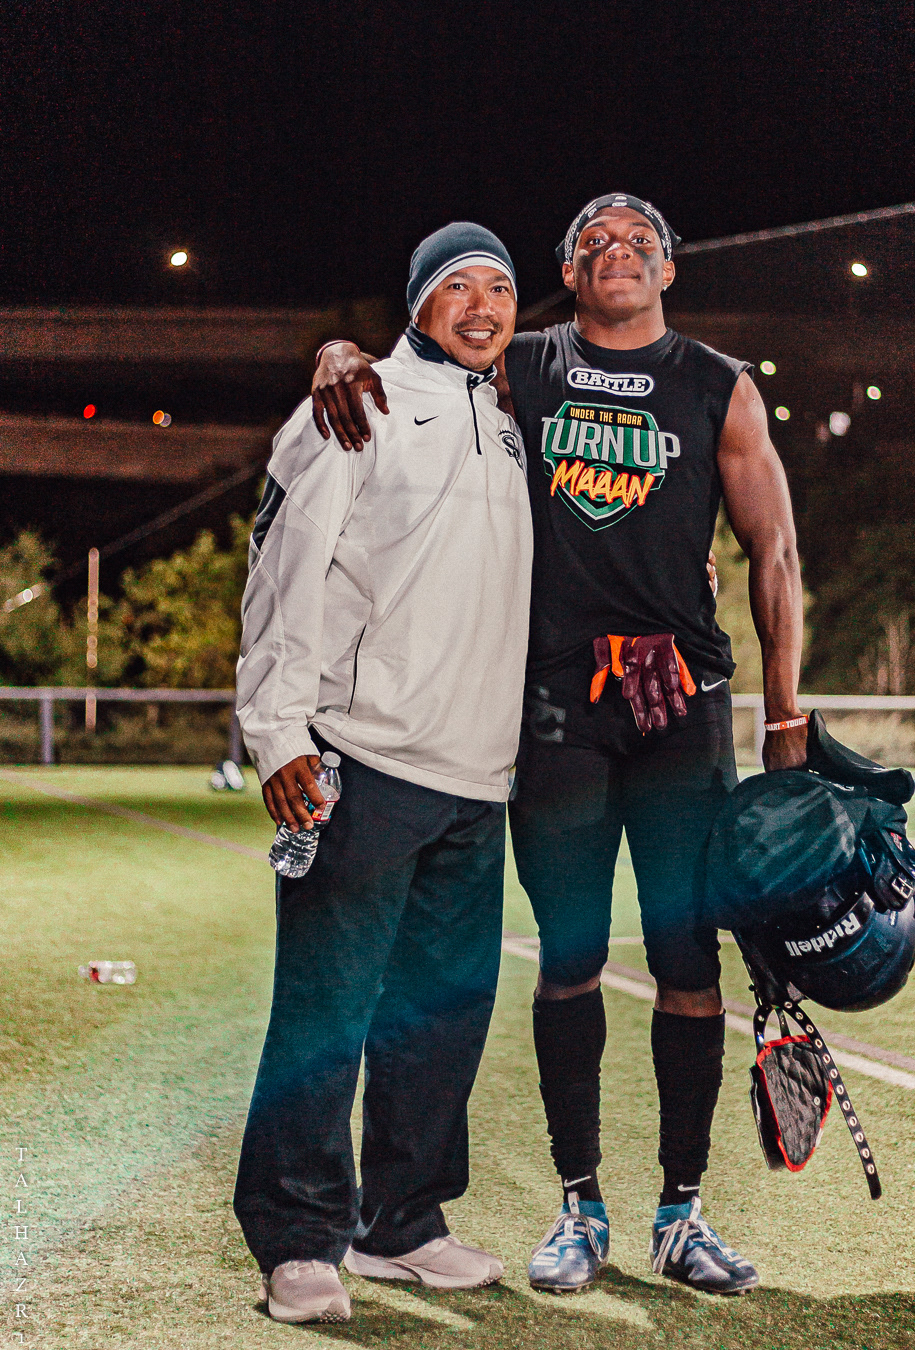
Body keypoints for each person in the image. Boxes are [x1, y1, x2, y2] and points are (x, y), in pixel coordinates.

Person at [310, 193, 808, 1296]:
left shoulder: (720, 385)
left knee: (689, 964)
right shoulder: (522, 364)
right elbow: (419, 371)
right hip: (557, 711)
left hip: (680, 706)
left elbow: (773, 551)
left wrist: (785, 717)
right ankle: (579, 1205)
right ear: (570, 274)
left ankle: (681, 1210)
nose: (618, 250)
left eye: (640, 241)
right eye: (594, 243)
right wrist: (342, 354)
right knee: (569, 959)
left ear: (669, 269)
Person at [233, 222, 532, 1324]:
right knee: (326, 1011)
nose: (483, 305)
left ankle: (401, 1224)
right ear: (418, 304)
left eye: (500, 287)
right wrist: (279, 734)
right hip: (358, 760)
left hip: (477, 778)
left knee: (439, 1019)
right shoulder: (354, 404)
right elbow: (283, 570)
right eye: (459, 286)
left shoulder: (510, 422)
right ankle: (298, 1239)